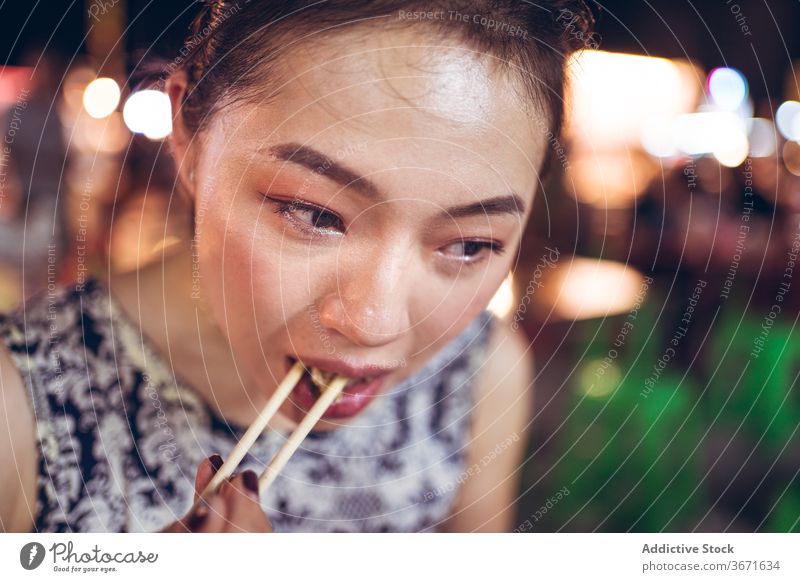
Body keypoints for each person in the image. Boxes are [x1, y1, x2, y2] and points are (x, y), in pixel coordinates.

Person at [0, 0, 594, 532]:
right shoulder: (22, 409)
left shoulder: (477, 375)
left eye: (470, 245)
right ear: (190, 134)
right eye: (313, 213)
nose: (374, 324)